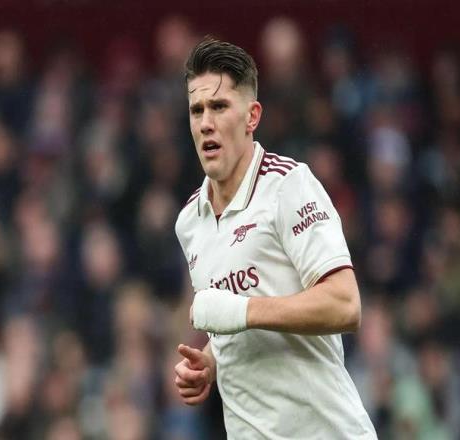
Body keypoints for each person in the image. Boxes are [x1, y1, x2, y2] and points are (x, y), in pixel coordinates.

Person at [174, 37, 377, 439]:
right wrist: (211, 361)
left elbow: (345, 304)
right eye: (197, 110)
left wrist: (243, 312)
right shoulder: (189, 222)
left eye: (219, 107)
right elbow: (234, 322)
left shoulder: (289, 186)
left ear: (252, 117)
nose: (206, 122)